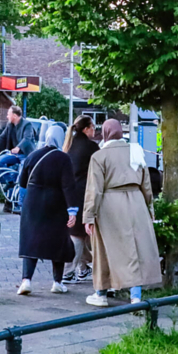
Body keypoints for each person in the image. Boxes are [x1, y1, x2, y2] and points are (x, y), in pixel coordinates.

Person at [83, 119, 161, 307]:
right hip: (136, 202)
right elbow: (147, 184)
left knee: (104, 248)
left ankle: (100, 292)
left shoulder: (99, 156)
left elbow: (95, 189)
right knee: (136, 248)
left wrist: (89, 216)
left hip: (110, 204)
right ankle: (136, 296)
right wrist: (150, 208)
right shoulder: (136, 151)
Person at [16, 126, 79, 295]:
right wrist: (72, 211)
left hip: (33, 203)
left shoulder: (33, 155)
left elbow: (22, 182)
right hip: (55, 204)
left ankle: (26, 281)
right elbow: (68, 186)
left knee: (31, 240)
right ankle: (57, 282)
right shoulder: (63, 158)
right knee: (58, 241)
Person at [62, 116, 97, 284]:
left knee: (80, 233)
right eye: (93, 127)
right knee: (78, 234)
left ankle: (83, 269)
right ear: (86, 129)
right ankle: (68, 271)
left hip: (70, 194)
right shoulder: (91, 147)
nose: (94, 131)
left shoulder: (69, 145)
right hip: (84, 194)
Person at [0, 105, 38, 213]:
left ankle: (21, 204)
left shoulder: (27, 124)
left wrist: (18, 147)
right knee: (0, 161)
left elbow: (27, 138)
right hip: (15, 154)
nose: (7, 116)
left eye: (8, 114)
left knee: (22, 177)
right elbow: (2, 136)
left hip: (26, 155)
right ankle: (9, 181)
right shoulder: (10, 125)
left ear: (14, 115)